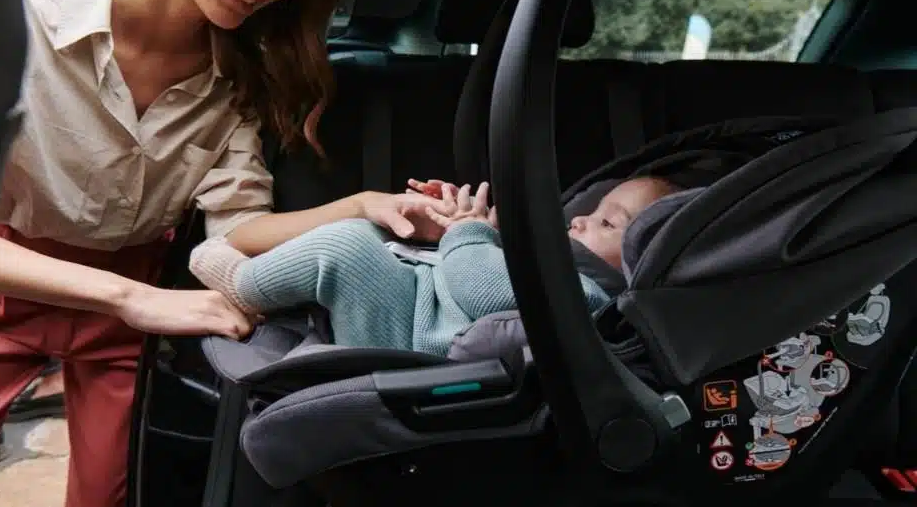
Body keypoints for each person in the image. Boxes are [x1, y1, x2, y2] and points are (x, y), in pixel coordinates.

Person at [0, 0, 451, 506]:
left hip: (136, 304)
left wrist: (362, 206)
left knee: (115, 492)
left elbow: (240, 226)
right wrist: (131, 297)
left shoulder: (244, 77)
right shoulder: (16, 16)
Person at [189, 177, 681, 356]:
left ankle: (243, 284)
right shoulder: (558, 273)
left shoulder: (587, 299)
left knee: (348, 249)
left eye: (607, 222)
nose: (579, 219)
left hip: (403, 342)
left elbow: (480, 288)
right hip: (413, 303)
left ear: (640, 264)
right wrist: (457, 226)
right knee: (367, 235)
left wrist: (467, 232)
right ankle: (267, 285)